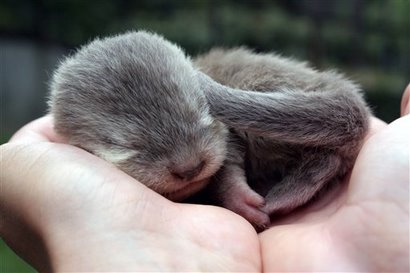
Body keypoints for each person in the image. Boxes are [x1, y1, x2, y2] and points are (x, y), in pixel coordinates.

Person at [1, 85, 409, 272]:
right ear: (76, 141)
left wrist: (229, 183)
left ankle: (320, 158)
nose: (188, 163)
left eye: (198, 122)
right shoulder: (78, 127)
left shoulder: (196, 83)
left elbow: (224, 138)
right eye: (132, 145)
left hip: (292, 105)